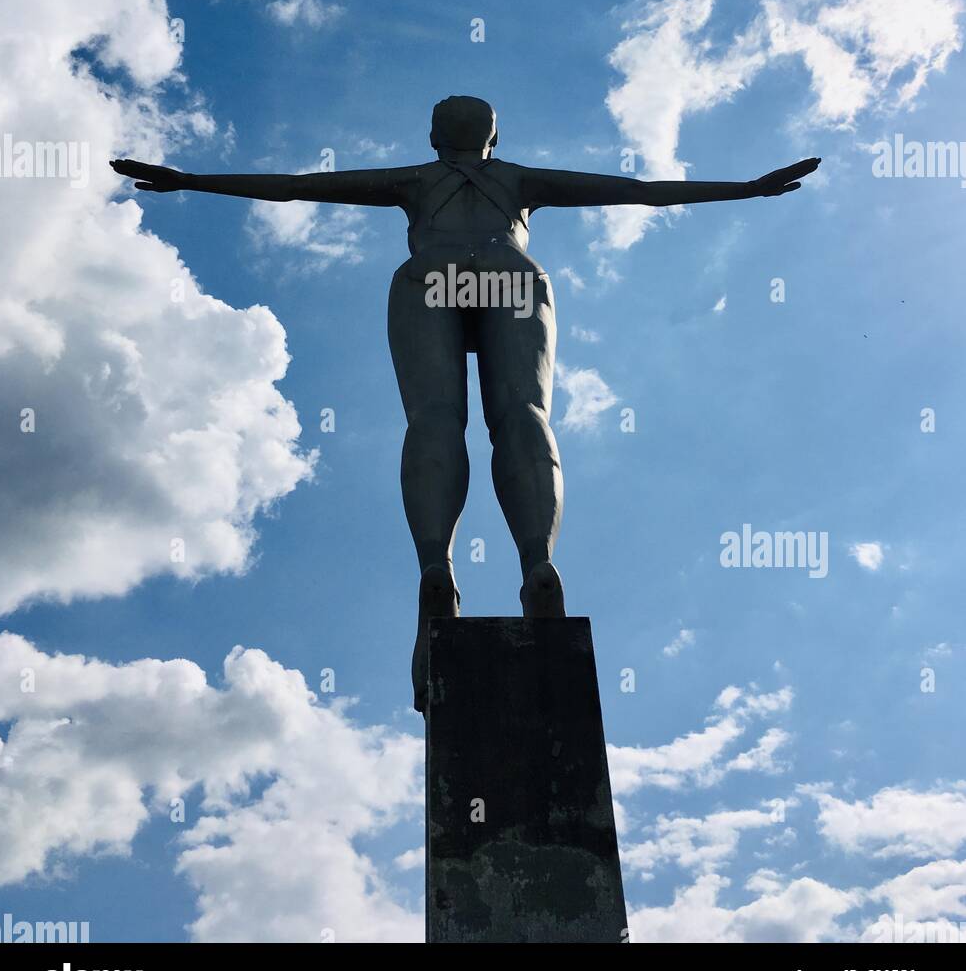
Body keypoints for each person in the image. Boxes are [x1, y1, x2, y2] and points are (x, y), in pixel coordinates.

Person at [112, 95, 820, 710]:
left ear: (433, 139)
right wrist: (747, 189)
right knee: (523, 417)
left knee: (433, 420)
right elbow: (637, 190)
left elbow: (299, 188)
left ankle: (436, 567)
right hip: (510, 274)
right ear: (493, 139)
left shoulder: (414, 179)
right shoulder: (518, 179)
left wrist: (193, 180)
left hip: (430, 278)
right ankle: (536, 560)